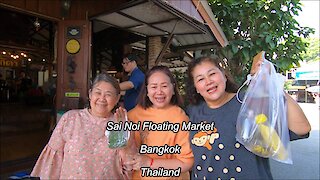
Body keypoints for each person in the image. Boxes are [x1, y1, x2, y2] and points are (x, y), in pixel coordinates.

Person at [185, 55, 311, 179]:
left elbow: (302, 128)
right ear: (195, 87)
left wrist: (271, 83)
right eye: (200, 79)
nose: (208, 81)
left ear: (224, 75)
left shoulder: (249, 102)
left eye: (212, 74)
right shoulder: (192, 112)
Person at [31, 73, 134, 179]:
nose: (102, 98)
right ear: (90, 94)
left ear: (117, 99)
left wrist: (121, 135)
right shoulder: (71, 118)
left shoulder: (121, 124)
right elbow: (53, 162)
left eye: (108, 94)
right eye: (97, 93)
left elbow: (128, 165)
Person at [126, 66, 194, 179]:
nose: (159, 92)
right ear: (146, 91)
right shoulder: (132, 115)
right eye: (153, 87)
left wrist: (150, 163)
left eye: (164, 86)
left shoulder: (180, 118)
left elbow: (187, 162)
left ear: (173, 89)